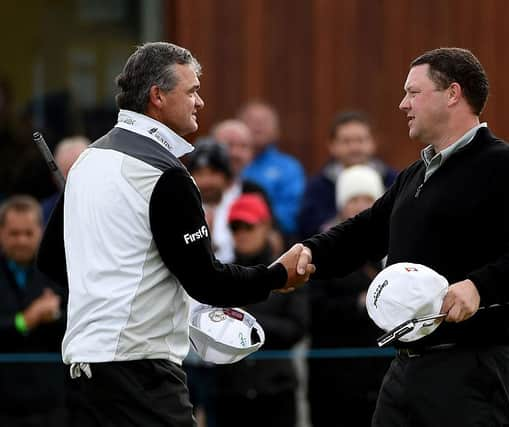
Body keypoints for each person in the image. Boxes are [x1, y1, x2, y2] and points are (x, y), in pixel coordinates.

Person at [36, 42, 313, 427]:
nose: (199, 102)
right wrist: (276, 276)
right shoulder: (164, 172)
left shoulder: (88, 160)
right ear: (157, 96)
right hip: (140, 371)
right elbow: (206, 280)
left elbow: (49, 259)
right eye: (192, 91)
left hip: (84, 369)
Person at [286, 47, 509, 426]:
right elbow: (365, 231)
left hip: (474, 365)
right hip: (407, 367)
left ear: (452, 94)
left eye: (413, 92)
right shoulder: (415, 174)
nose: (402, 104)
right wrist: (308, 253)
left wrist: (479, 287)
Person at [213, 194, 308, 427]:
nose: (242, 233)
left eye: (248, 226)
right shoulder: (220, 275)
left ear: (265, 226)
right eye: (235, 227)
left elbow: (297, 329)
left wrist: (244, 320)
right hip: (231, 392)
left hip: (276, 389)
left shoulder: (287, 271)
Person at [308, 165, 388, 427]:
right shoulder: (324, 248)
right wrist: (358, 304)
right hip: (334, 373)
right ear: (341, 205)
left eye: (368, 199)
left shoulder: (394, 246)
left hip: (382, 373)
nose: (361, 206)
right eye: (354, 199)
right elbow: (313, 306)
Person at [0, 195, 66, 426]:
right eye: (14, 233)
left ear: (40, 230)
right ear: (1, 233)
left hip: (52, 401)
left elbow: (76, 325)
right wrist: (26, 319)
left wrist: (54, 315)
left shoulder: (58, 271)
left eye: (28, 233)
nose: (22, 241)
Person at [298, 111, 397, 238]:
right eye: (346, 141)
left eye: (360, 140)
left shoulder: (393, 180)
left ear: (373, 143)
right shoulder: (318, 186)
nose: (354, 147)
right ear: (332, 145)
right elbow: (308, 229)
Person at [238, 101, 305, 237]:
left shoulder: (289, 167)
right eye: (252, 120)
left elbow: (291, 214)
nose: (258, 126)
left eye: (264, 121)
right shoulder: (231, 162)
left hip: (273, 236)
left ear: (276, 129)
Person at [41, 136, 90, 221]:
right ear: (53, 176)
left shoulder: (111, 205)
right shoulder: (43, 213)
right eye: (67, 172)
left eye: (78, 173)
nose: (72, 180)